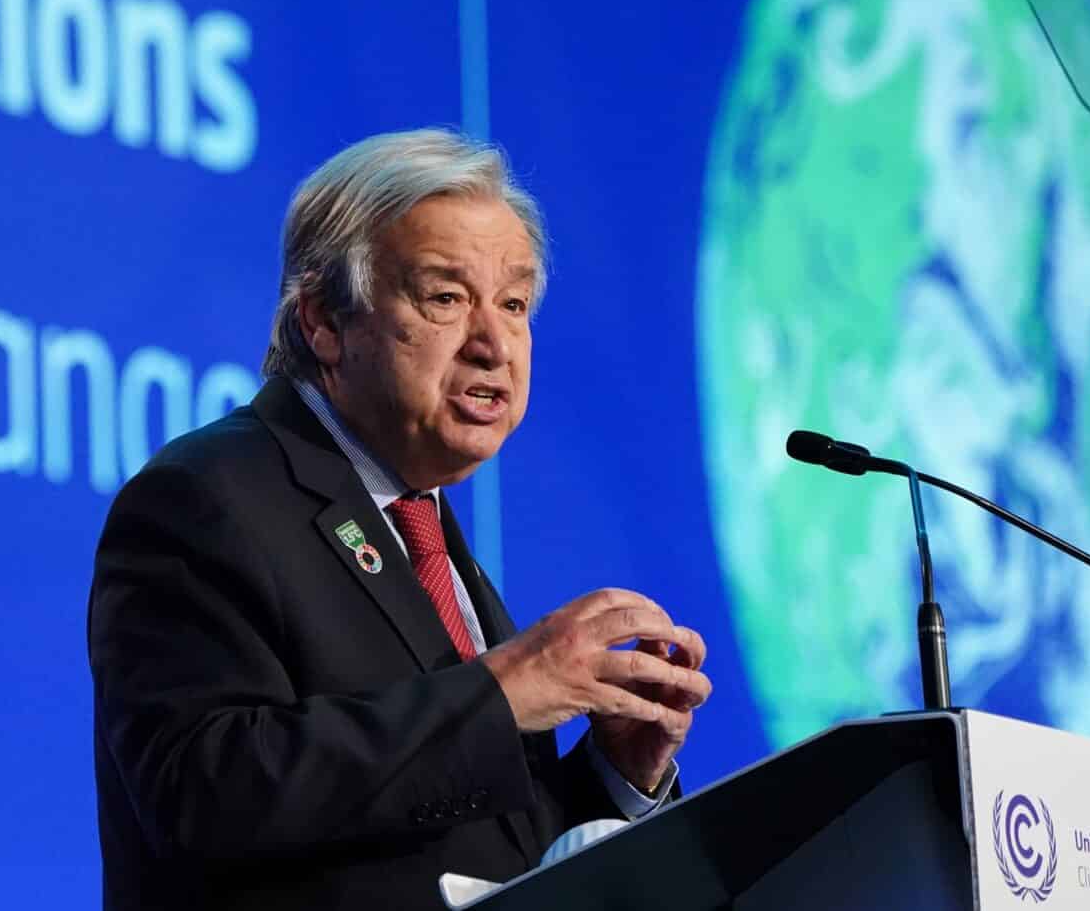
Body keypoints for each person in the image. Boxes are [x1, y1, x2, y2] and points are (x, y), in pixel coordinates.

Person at [88, 128, 711, 910]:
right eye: (446, 297)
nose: (494, 344)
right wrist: (500, 693)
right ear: (323, 319)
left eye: (514, 304)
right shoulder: (209, 495)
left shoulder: (427, 534)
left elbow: (476, 853)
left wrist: (614, 776)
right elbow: (203, 794)